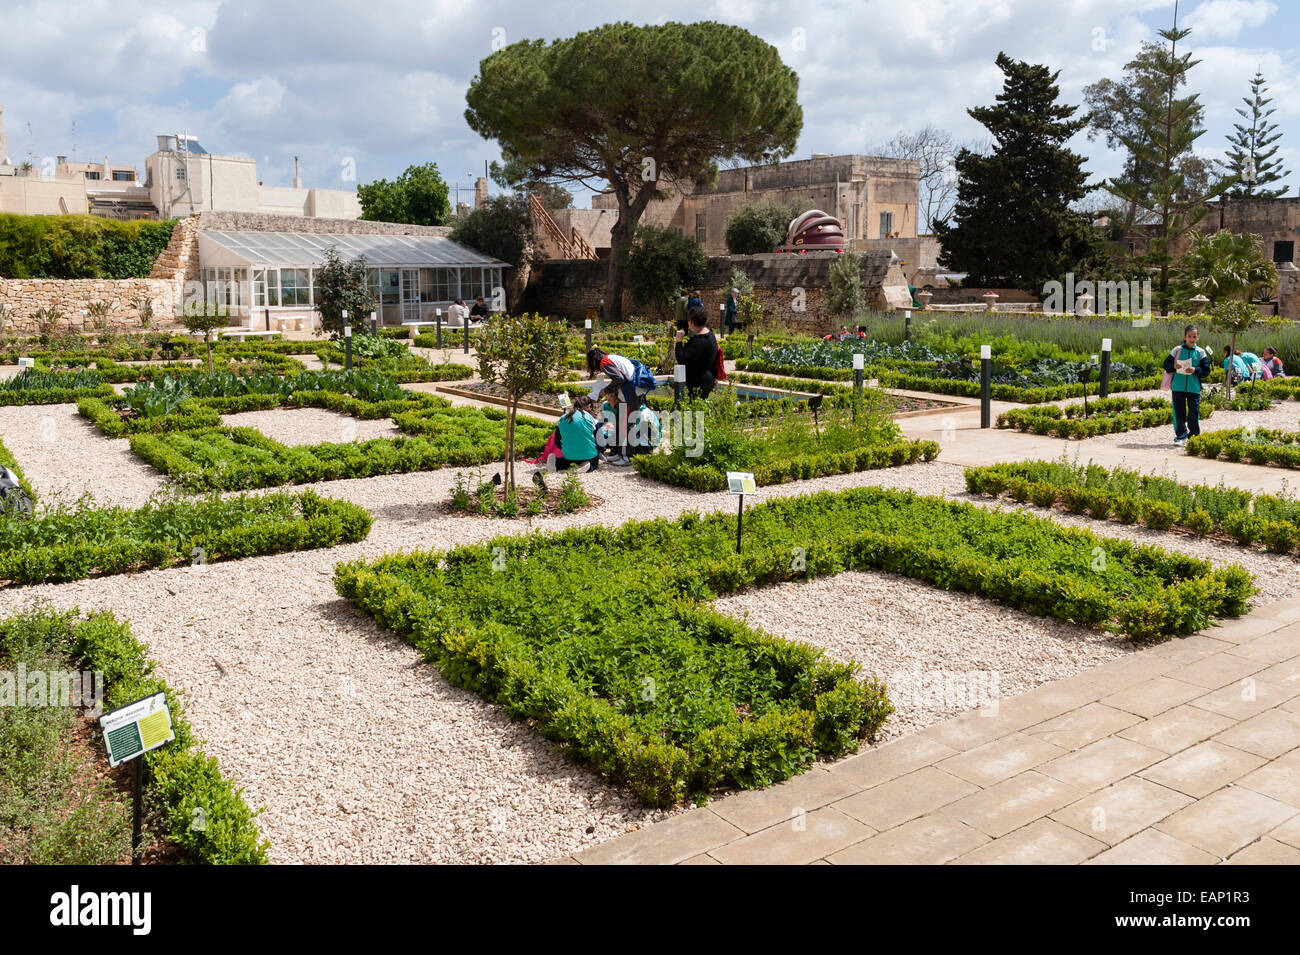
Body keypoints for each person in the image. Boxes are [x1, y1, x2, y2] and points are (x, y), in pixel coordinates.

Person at [1164, 325, 1211, 444]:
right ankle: (1181, 436)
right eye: (1189, 336)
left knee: (1193, 414)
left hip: (1194, 388)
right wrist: (1173, 366)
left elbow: (1206, 371)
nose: (1191, 338)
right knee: (1179, 413)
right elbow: (1166, 365)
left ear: (1198, 337)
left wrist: (1195, 370)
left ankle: (1194, 436)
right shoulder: (1177, 350)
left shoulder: (1200, 352)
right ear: (1185, 337)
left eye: (1194, 336)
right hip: (1178, 387)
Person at [675, 306, 719, 399]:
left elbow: (681, 359)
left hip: (697, 383)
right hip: (707, 379)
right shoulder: (710, 335)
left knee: (695, 412)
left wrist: (679, 341)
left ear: (690, 322)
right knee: (701, 410)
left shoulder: (697, 341)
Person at [550, 395, 601, 471]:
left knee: (565, 461)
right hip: (588, 454)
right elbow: (600, 441)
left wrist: (566, 449)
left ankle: (557, 464)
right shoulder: (592, 419)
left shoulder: (562, 418)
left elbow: (557, 441)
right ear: (589, 406)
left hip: (569, 456)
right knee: (594, 461)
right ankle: (588, 467)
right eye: (591, 407)